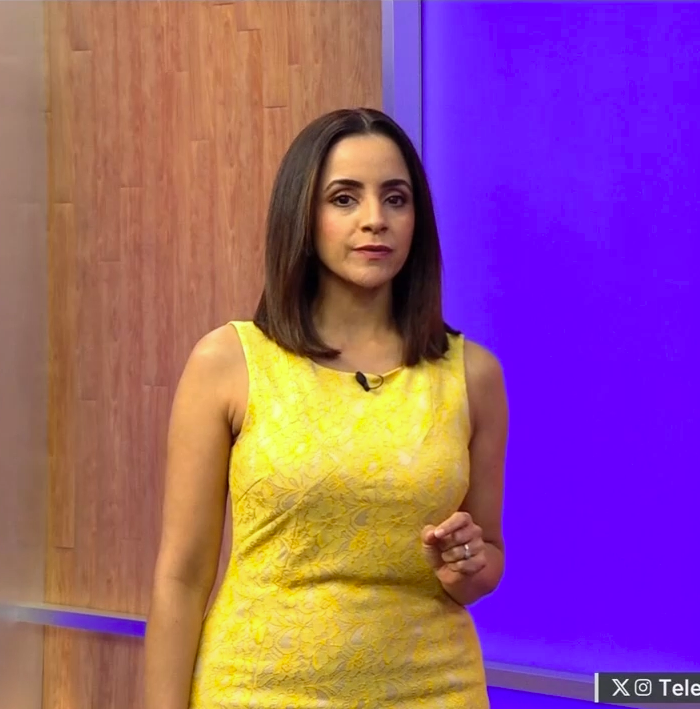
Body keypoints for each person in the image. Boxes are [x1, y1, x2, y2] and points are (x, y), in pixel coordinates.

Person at [143, 108, 507, 708]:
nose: (375, 219)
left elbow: (487, 561)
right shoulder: (229, 362)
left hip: (434, 688)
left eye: (396, 199)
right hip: (258, 691)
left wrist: (469, 564)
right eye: (344, 198)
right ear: (303, 217)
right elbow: (181, 577)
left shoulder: (472, 375)